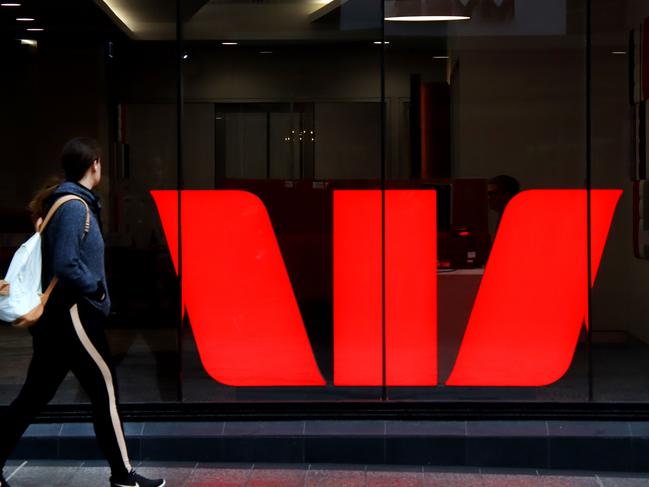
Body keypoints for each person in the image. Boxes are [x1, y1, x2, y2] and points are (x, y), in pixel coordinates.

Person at [0, 138, 165, 487]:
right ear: (95, 165)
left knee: (33, 397)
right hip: (73, 317)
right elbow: (66, 263)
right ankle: (124, 476)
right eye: (100, 164)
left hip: (58, 321)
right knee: (105, 391)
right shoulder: (75, 207)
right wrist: (97, 287)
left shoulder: (68, 202)